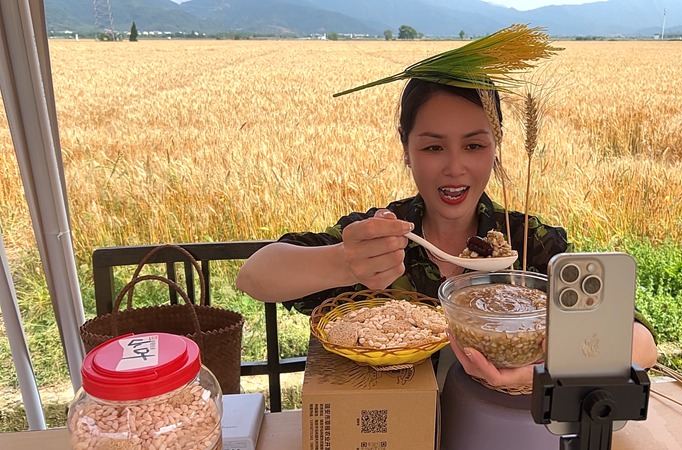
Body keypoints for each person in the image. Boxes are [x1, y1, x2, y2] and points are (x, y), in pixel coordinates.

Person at [236, 76, 658, 388]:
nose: (455, 167)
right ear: (406, 147)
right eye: (433, 146)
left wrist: (540, 374)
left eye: (474, 146)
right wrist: (342, 262)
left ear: (497, 144)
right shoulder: (380, 233)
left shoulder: (532, 243)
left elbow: (640, 343)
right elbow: (254, 276)